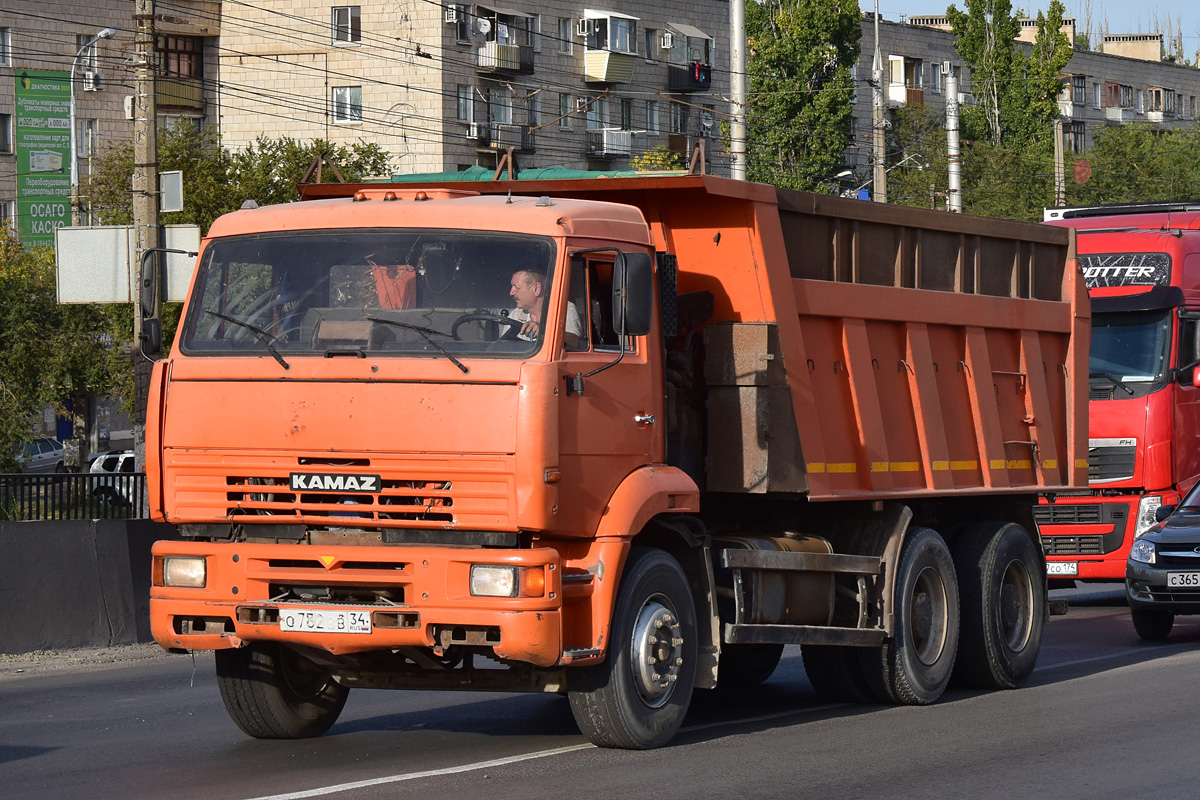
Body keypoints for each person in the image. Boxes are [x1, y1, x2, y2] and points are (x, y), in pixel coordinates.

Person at [509, 269, 583, 348]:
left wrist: (545, 331)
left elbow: (574, 342)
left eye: (517, 287)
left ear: (536, 289)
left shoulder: (563, 309)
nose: (511, 292)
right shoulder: (517, 314)